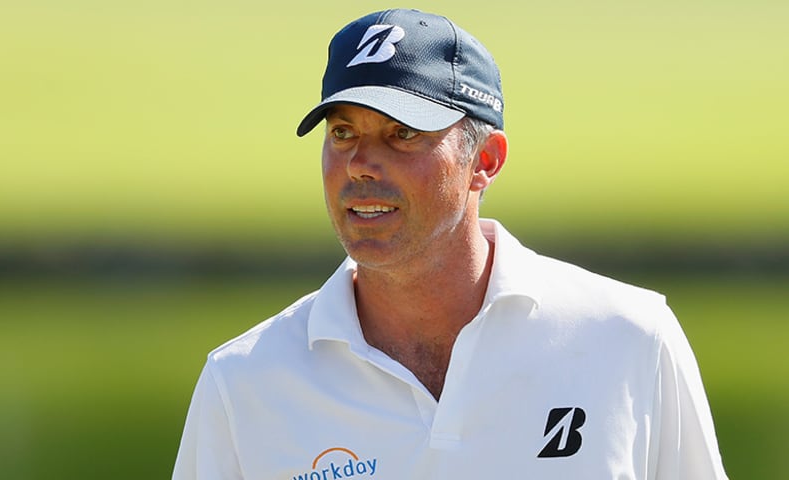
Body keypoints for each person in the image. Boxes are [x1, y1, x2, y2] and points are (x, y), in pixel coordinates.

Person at [172, 8, 728, 479]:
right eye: (342, 133)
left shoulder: (632, 337)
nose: (360, 164)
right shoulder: (242, 382)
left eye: (402, 134)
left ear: (484, 161)